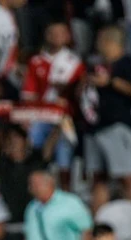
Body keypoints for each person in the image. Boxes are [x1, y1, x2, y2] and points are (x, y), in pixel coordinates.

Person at [82, 25, 131, 209]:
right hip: (94, 127)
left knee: (126, 177)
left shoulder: (129, 64)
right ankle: (97, 222)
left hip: (117, 126)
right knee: (98, 179)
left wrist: (110, 81)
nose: (98, 45)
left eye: (100, 41)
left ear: (110, 42)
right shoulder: (96, 66)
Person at [20, 20, 84, 186]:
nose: (57, 37)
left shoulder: (74, 62)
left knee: (64, 149)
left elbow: (79, 94)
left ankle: (65, 189)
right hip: (41, 115)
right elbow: (29, 95)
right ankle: (37, 184)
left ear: (67, 36)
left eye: (61, 33)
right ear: (46, 36)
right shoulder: (36, 62)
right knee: (33, 141)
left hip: (65, 118)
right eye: (53, 33)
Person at [24, 170, 92, 240]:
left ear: (49, 184)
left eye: (35, 185)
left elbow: (87, 234)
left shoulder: (70, 202)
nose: (30, 189)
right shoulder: (31, 207)